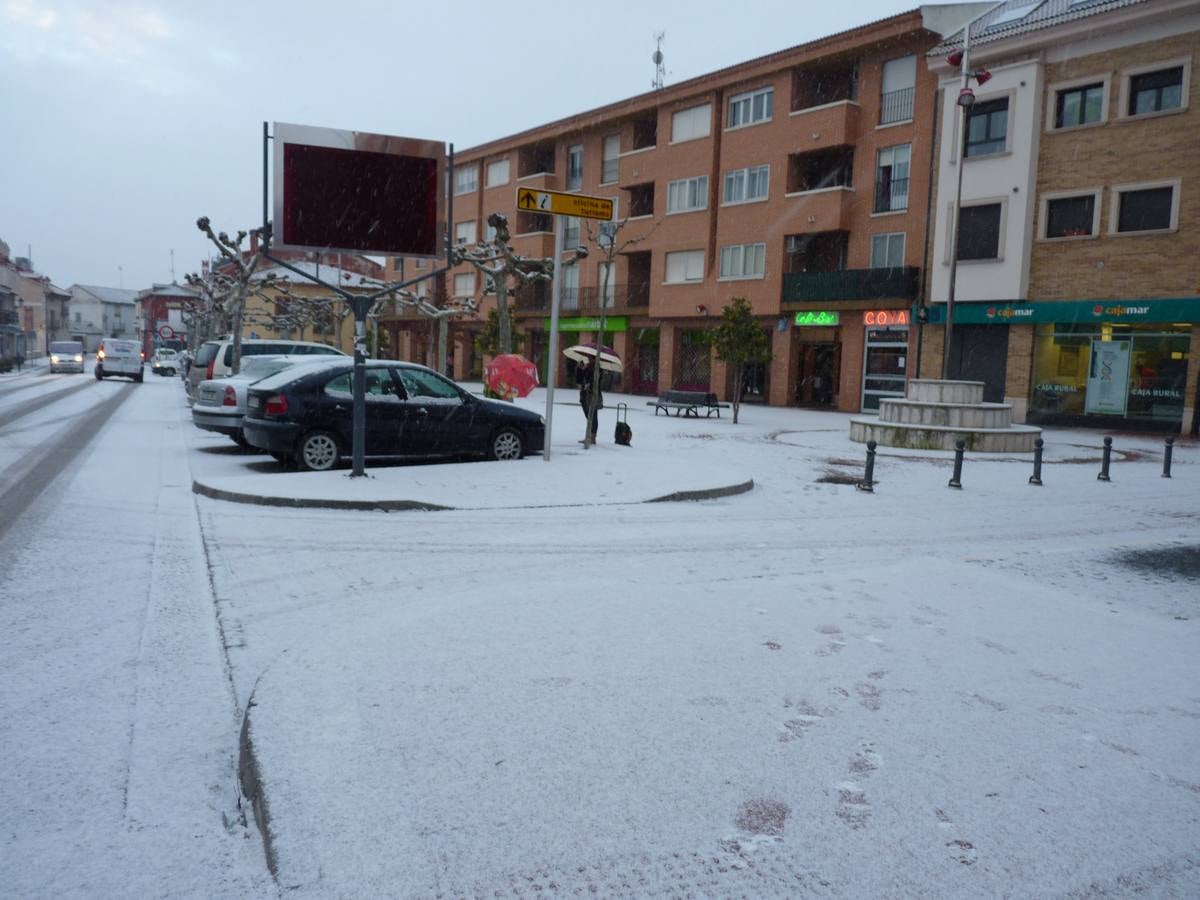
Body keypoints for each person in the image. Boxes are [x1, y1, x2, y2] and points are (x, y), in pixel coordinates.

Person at [577, 359, 602, 442]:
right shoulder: (585, 367)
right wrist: (580, 369)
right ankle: (590, 435)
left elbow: (596, 381)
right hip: (584, 395)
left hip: (593, 394)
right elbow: (578, 380)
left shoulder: (597, 368)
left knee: (593, 415)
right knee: (588, 415)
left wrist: (589, 383)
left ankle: (592, 436)